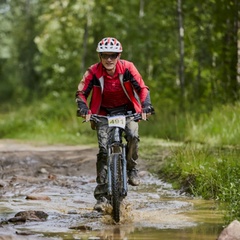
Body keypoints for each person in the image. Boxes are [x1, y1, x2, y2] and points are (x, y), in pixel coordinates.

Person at [76, 37, 154, 211]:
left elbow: (142, 88)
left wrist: (146, 105)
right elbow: (81, 92)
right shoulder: (93, 72)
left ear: (119, 55)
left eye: (113, 55)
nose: (109, 59)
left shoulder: (128, 68)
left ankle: (132, 169)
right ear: (100, 56)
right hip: (103, 113)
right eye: (105, 55)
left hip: (127, 111)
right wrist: (83, 107)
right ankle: (101, 197)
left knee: (133, 135)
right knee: (104, 151)